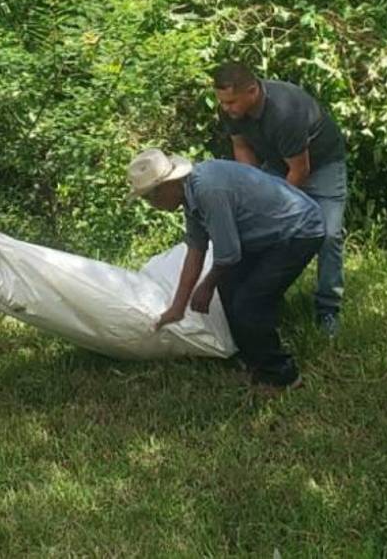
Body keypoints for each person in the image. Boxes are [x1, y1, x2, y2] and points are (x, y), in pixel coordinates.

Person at [128, 149, 325, 392]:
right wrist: (178, 307)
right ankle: (253, 359)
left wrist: (206, 286)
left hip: (298, 230)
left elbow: (228, 254)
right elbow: (196, 250)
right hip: (266, 233)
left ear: (168, 186)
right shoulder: (191, 197)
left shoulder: (208, 191)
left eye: (150, 198)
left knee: (250, 302)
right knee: (230, 288)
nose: (152, 205)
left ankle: (282, 377)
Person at [212, 62, 348, 338]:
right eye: (222, 102)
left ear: (252, 91)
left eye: (231, 102)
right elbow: (241, 147)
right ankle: (269, 297)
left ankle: (328, 309)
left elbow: (301, 170)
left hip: (321, 165)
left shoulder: (285, 111)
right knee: (262, 230)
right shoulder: (231, 109)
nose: (226, 108)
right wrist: (253, 194)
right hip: (277, 161)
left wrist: (274, 207)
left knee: (329, 235)